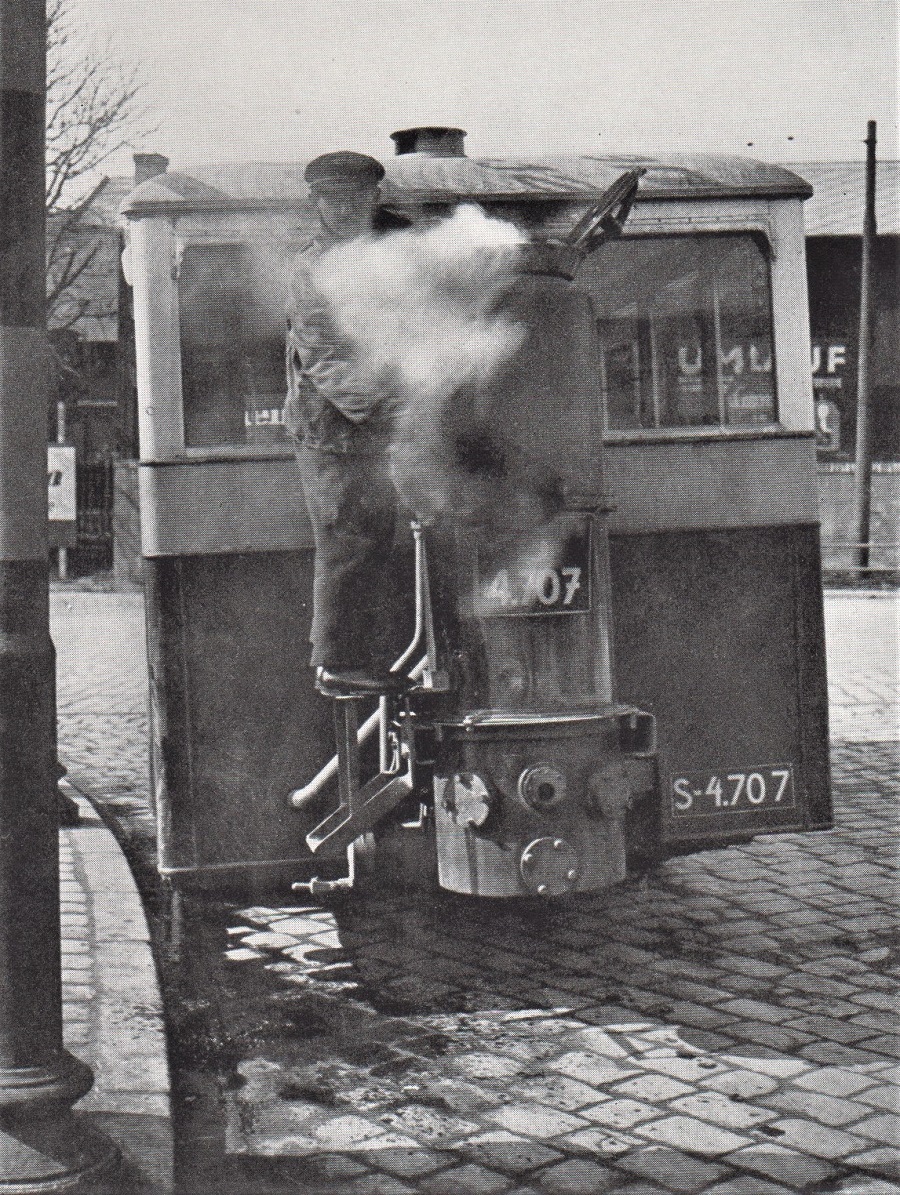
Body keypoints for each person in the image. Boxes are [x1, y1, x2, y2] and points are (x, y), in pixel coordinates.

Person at [284, 151, 410, 698]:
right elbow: (325, 356)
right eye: (338, 201)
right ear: (318, 204)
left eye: (362, 200)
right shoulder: (309, 271)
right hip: (330, 433)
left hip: (376, 426)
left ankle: (369, 655)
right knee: (346, 539)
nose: (352, 211)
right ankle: (335, 664)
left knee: (381, 537)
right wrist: (390, 408)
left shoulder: (389, 250)